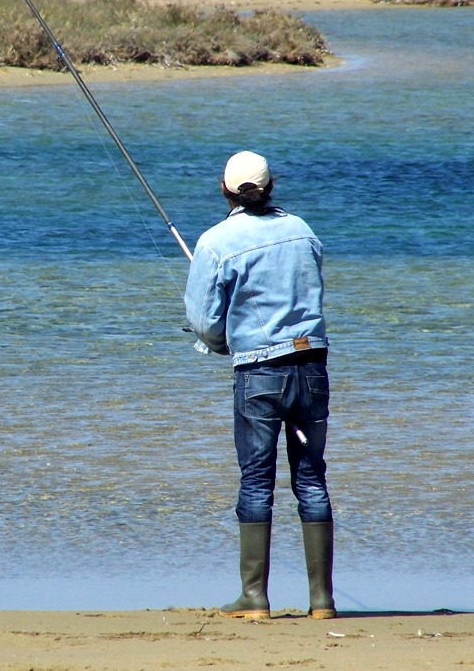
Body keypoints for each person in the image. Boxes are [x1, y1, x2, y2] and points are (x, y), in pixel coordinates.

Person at [184, 150, 335, 621]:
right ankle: (322, 602)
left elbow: (206, 324)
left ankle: (254, 598)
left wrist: (222, 342)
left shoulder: (214, 242)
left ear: (224, 189)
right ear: (271, 186)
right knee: (311, 478)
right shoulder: (303, 230)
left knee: (256, 480)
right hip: (311, 365)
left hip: (259, 374)